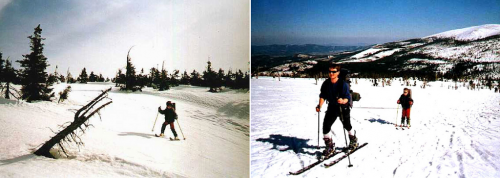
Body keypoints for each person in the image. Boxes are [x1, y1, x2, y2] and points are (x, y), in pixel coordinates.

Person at [316, 63, 357, 157]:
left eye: (334, 72)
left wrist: (343, 101)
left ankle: (353, 139)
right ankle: (329, 146)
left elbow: (347, 97)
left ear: (338, 72)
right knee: (326, 126)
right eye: (330, 71)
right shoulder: (326, 83)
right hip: (332, 107)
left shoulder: (343, 84)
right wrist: (319, 105)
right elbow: (323, 95)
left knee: (346, 125)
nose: (331, 73)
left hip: (343, 107)